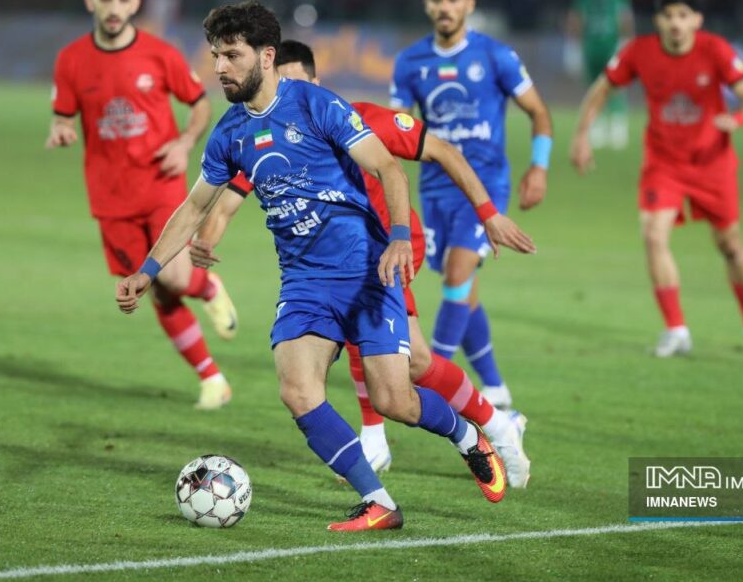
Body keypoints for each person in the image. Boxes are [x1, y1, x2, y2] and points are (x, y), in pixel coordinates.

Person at [115, 0, 509, 532]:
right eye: (216, 56)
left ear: (266, 56)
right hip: (303, 281)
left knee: (395, 400)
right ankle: (379, 502)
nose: (220, 67)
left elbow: (389, 169)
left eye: (232, 56)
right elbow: (194, 207)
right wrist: (148, 270)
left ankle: (467, 436)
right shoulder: (230, 134)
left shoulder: (318, 106)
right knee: (298, 391)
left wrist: (398, 239)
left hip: (366, 271)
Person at [191, 39, 534, 488]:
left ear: (316, 83)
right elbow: (228, 199)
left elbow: (444, 151)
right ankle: (489, 425)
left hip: (390, 246)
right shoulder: (271, 132)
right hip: (332, 259)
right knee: (414, 361)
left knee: (384, 342)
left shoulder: (360, 118)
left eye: (295, 83)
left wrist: (489, 215)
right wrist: (206, 238)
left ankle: (396, 434)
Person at [47, 0, 237, 410]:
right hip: (110, 197)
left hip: (159, 184)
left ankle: (206, 286)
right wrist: (60, 128)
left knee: (172, 275)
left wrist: (185, 142)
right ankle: (212, 379)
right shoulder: (71, 59)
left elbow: (199, 104)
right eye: (106, 0)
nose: (114, 9)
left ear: (135, 4)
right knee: (154, 289)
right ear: (91, 2)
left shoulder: (160, 54)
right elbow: (62, 113)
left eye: (122, 0)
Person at [569, 0, 743, 359]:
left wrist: (737, 119)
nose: (676, 24)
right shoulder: (640, 51)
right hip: (663, 163)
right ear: (658, 21)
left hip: (712, 164)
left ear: (697, 20)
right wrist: (582, 135)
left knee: (730, 245)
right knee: (653, 235)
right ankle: (676, 330)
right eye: (668, 16)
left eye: (683, 16)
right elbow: (601, 89)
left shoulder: (715, 50)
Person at [390, 0, 554, 410]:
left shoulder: (495, 56)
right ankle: (495, 385)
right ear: (427, 5)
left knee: (459, 274)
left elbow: (539, 112)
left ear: (469, 4)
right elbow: (397, 128)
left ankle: (433, 377)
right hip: (436, 189)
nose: (445, 7)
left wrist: (539, 168)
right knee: (462, 288)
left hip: (486, 185)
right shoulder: (410, 62)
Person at [566, 0, 634, 150]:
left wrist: (625, 43)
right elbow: (576, 22)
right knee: (593, 88)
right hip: (591, 49)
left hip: (612, 48)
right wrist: (573, 47)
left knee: (615, 85)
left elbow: (626, 21)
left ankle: (618, 125)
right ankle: (597, 124)